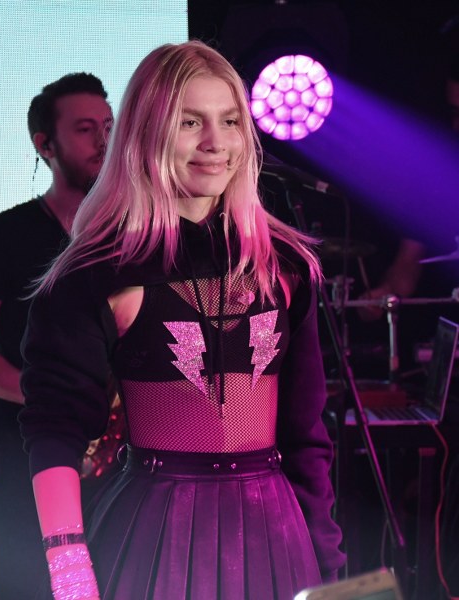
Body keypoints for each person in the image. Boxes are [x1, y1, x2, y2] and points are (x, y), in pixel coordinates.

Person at [19, 40, 345, 600]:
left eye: (230, 121)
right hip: (154, 538)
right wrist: (68, 566)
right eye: (190, 122)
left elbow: (306, 438)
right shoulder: (96, 274)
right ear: (146, 134)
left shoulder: (285, 267)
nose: (216, 142)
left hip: (278, 538)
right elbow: (53, 428)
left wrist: (329, 565)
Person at [0, 72, 114, 599]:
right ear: (45, 145)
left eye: (109, 127)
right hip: (21, 459)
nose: (104, 141)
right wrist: (48, 399)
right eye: (86, 129)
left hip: (117, 465)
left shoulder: (130, 235)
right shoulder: (3, 236)